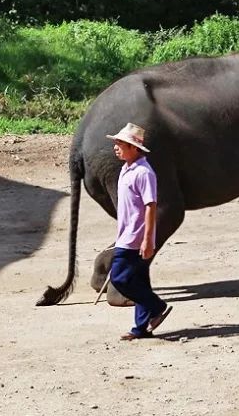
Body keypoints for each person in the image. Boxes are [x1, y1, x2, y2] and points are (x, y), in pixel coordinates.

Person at [106, 122, 172, 341]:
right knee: (140, 281)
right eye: (116, 143)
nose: (116, 147)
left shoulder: (144, 173)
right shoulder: (127, 169)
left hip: (135, 239)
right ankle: (140, 328)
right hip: (126, 235)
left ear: (134, 148)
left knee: (119, 278)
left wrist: (147, 240)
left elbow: (151, 206)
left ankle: (157, 306)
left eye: (121, 144)